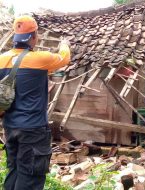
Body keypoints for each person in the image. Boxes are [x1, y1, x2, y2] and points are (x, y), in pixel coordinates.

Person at [0, 15, 70, 190]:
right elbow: (64, 58)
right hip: (33, 129)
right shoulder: (41, 59)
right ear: (34, 36)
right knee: (30, 176)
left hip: (10, 127)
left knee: (14, 170)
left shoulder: (2, 59)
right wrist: (64, 44)